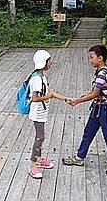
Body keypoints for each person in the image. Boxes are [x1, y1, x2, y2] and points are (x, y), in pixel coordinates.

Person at [62, 44, 107, 175]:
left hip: (105, 108)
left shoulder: (102, 74)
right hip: (97, 107)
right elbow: (94, 91)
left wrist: (77, 101)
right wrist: (82, 96)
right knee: (88, 132)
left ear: (100, 58)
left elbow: (95, 94)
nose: (90, 60)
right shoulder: (100, 73)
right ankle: (80, 157)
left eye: (92, 57)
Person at [28, 49, 70, 179]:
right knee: (39, 138)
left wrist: (65, 98)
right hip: (37, 113)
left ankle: (39, 160)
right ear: (43, 63)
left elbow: (48, 93)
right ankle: (32, 166)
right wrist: (49, 96)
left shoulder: (41, 76)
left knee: (41, 137)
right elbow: (34, 98)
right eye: (49, 61)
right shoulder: (36, 79)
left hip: (42, 112)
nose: (50, 63)